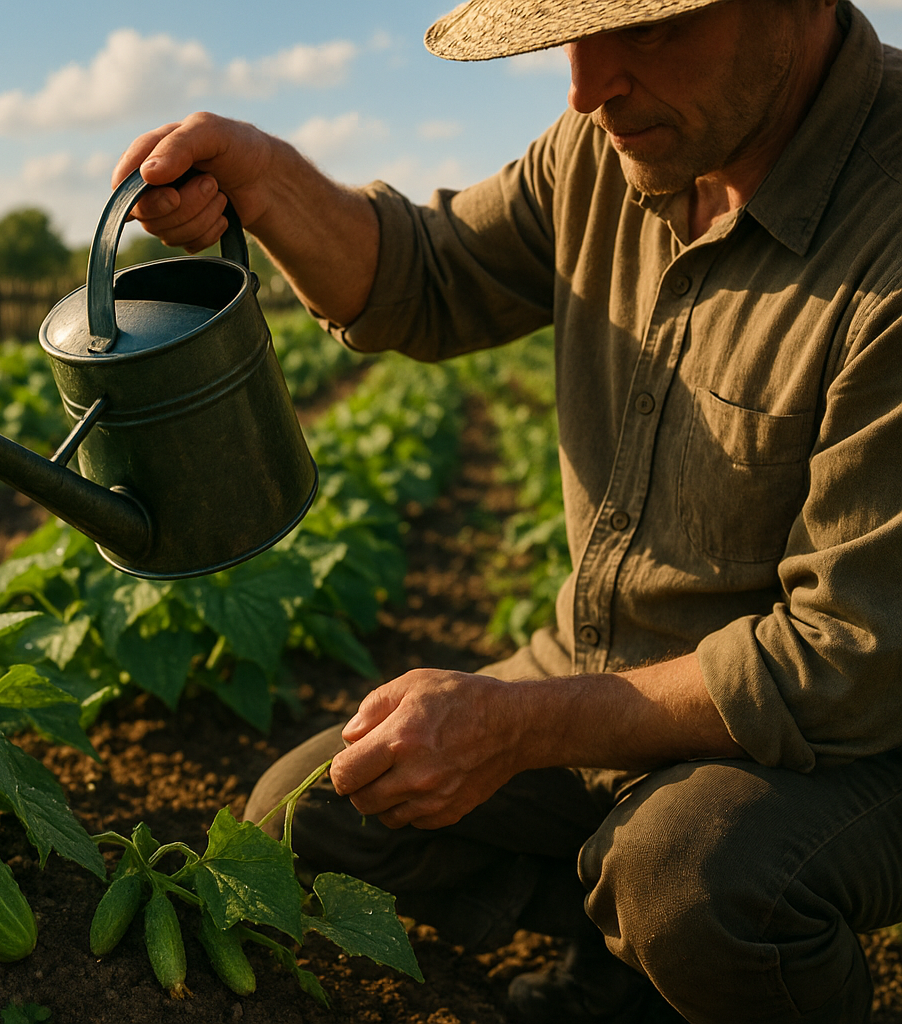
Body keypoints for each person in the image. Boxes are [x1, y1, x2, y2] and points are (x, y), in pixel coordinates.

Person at [113, 1, 902, 1021]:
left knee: (691, 877)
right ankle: (623, 973)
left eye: (649, 29)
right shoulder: (614, 144)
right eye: (571, 35)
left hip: (858, 736)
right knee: (315, 811)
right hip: (611, 674)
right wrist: (265, 182)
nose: (585, 87)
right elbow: (427, 274)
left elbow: (850, 662)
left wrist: (518, 725)